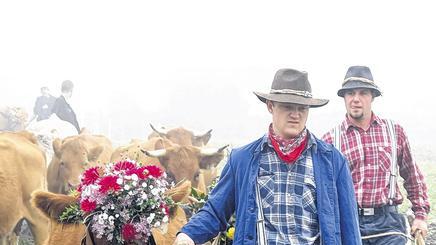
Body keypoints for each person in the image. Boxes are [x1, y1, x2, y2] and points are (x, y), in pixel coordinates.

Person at [174, 69, 361, 245]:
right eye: (288, 106)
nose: (295, 115)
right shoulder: (242, 160)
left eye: (302, 108)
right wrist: (187, 235)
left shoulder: (332, 161)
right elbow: (215, 212)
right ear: (271, 106)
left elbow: (349, 228)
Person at [322, 66, 430, 245]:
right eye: (350, 94)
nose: (356, 99)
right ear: (344, 98)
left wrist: (420, 215)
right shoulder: (330, 141)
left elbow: (412, 177)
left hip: (389, 223)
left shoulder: (394, 132)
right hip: (349, 221)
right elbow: (324, 192)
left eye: (363, 93)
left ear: (372, 96)